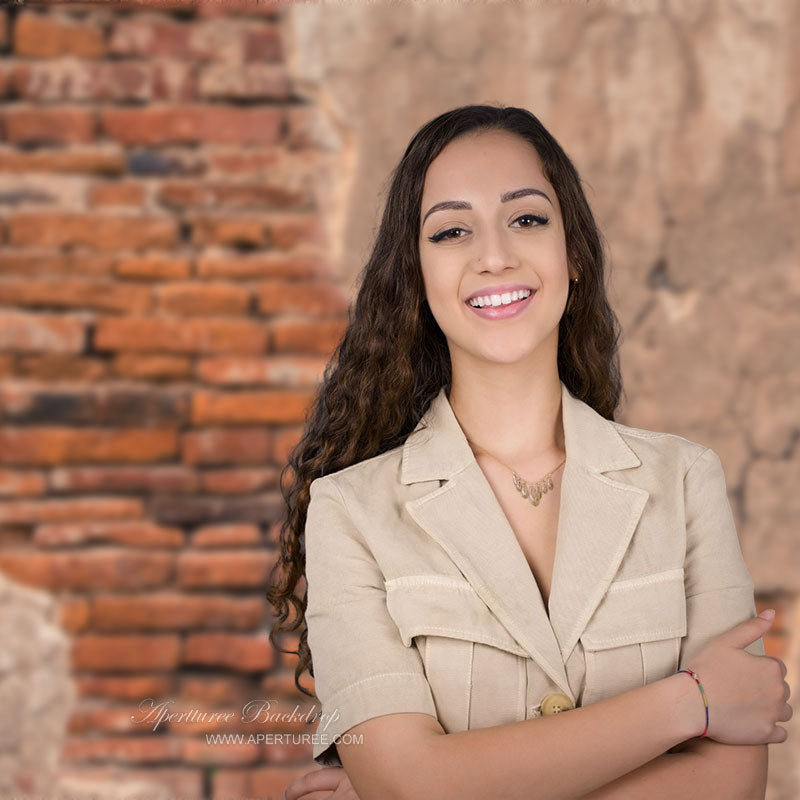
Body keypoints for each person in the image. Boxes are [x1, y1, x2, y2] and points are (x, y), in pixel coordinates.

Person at [268, 104, 792, 800]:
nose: (494, 255)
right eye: (452, 231)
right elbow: (411, 785)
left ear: (571, 251)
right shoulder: (349, 513)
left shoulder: (685, 481)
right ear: (416, 277)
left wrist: (435, 785)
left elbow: (730, 787)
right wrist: (689, 703)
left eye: (527, 218)